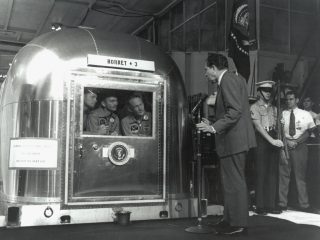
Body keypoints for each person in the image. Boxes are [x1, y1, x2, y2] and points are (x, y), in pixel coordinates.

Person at [196, 53, 256, 236]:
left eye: (206, 69)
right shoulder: (234, 79)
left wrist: (213, 128)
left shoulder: (228, 80)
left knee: (234, 182)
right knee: (231, 182)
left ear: (214, 67)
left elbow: (235, 111)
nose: (205, 74)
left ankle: (238, 223)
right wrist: (213, 123)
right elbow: (234, 110)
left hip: (234, 140)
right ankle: (229, 219)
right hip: (235, 140)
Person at [250, 81, 283, 215]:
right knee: (261, 172)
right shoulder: (254, 107)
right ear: (259, 92)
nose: (268, 93)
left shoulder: (274, 108)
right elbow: (258, 127)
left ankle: (270, 204)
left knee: (272, 172)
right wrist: (272, 141)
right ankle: (260, 205)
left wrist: (281, 124)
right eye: (265, 90)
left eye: (270, 91)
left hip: (273, 136)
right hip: (262, 139)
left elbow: (277, 126)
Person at [278, 91, 315, 212]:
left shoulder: (305, 114)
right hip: (286, 145)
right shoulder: (282, 114)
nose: (289, 101)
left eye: (291, 99)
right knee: (284, 175)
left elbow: (309, 131)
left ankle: (304, 204)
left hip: (300, 146)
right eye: (287, 100)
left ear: (297, 100)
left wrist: (297, 142)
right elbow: (279, 131)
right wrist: (287, 142)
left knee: (300, 176)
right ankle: (282, 203)